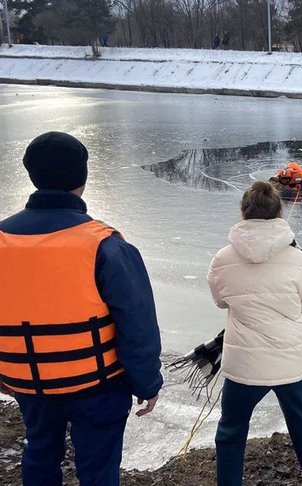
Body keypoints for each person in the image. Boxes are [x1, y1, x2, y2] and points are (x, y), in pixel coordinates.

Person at [0, 131, 163, 486]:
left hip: (31, 383)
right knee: (98, 471)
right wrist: (147, 383)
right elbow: (137, 324)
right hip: (98, 386)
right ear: (83, 180)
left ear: (32, 175)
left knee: (40, 456)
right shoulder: (105, 245)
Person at [208, 181, 302, 486]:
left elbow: (220, 300)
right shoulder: (300, 260)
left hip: (244, 365)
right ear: (279, 212)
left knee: (231, 429)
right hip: (289, 359)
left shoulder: (222, 259)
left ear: (243, 213)